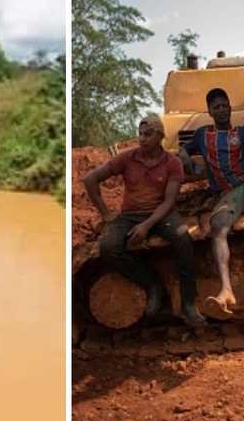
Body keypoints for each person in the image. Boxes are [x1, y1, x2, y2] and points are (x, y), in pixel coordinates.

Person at [84, 114, 206, 326]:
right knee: (108, 247)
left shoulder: (172, 163)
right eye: (140, 133)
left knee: (183, 239)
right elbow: (90, 179)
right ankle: (152, 284)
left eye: (148, 134)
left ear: (160, 137)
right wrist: (105, 213)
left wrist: (146, 226)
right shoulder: (127, 158)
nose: (141, 138)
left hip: (162, 215)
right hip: (130, 215)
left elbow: (169, 202)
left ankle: (188, 304)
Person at [178, 88, 244, 318]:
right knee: (217, 228)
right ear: (209, 111)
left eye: (225, 105)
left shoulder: (243, 132)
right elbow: (182, 150)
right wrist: (184, 154)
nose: (221, 110)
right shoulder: (202, 135)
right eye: (216, 107)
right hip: (231, 194)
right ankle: (226, 290)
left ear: (230, 108)